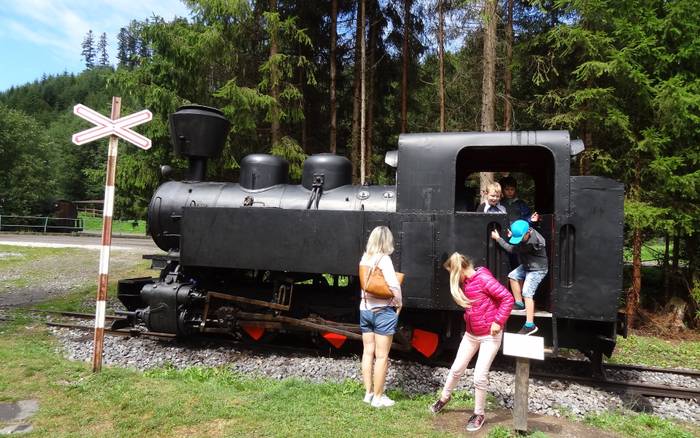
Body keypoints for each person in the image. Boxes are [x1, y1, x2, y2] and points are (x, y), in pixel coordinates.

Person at [429, 253, 514, 432]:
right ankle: (444, 398)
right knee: (456, 369)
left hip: (489, 336)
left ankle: (479, 414)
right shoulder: (467, 282)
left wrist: (498, 321)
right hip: (471, 335)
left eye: (451, 272)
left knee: (479, 376)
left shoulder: (483, 279)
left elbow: (507, 298)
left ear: (458, 270)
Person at [359, 226, 402, 408]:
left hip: (365, 310)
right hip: (382, 312)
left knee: (368, 352)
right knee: (382, 356)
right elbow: (394, 287)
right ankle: (378, 397)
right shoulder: (385, 260)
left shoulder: (365, 258)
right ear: (387, 241)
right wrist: (399, 303)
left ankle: (368, 393)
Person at [490, 219, 548, 335]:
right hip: (528, 265)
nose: (520, 240)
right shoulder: (528, 233)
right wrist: (515, 236)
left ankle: (530, 325)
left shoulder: (532, 242)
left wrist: (498, 239)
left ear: (528, 233)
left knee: (527, 293)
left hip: (537, 269)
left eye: (521, 237)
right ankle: (519, 304)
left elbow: (511, 249)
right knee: (513, 276)